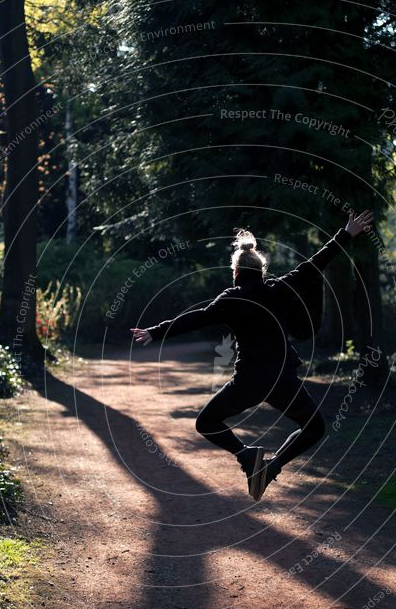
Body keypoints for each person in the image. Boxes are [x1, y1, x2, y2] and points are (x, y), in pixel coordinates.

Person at [132, 209, 373, 501]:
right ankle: (271, 469)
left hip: (248, 381)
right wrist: (346, 233)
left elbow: (196, 318)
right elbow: (314, 264)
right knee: (314, 429)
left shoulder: (229, 299)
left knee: (206, 423)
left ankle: (248, 458)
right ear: (261, 271)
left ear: (235, 274)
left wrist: (155, 331)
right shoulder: (279, 289)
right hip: (281, 380)